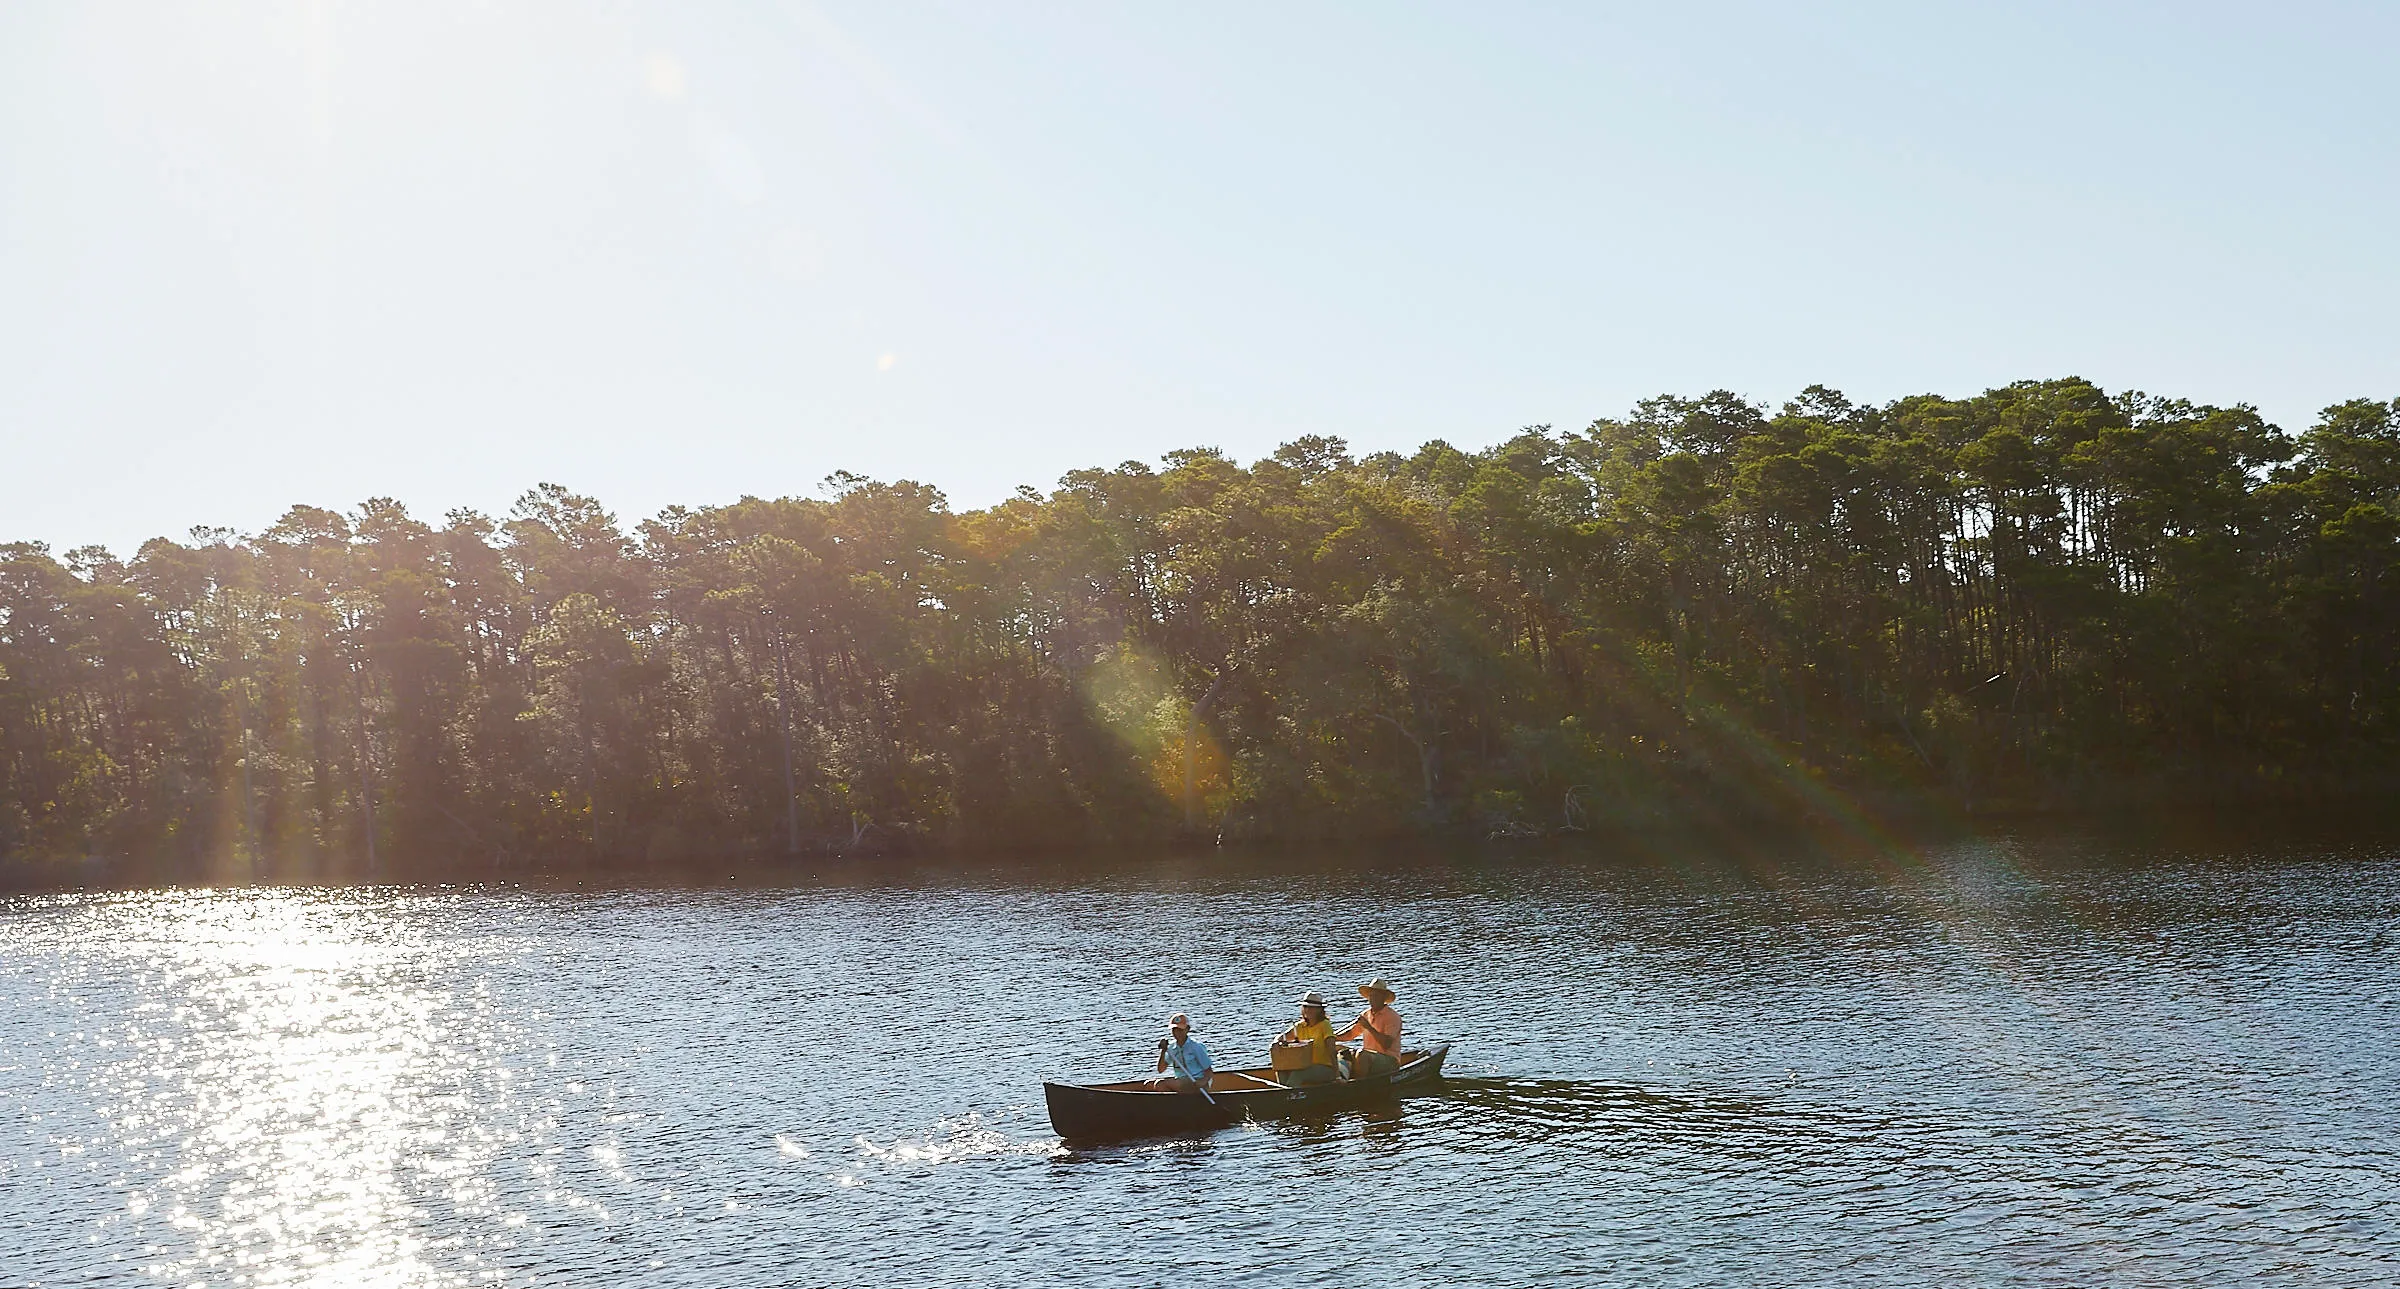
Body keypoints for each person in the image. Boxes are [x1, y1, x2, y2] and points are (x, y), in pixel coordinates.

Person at [1335, 977, 1403, 1078]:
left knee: (1362, 1054)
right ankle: (1340, 1078)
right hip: (1368, 1058)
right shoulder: (1366, 1014)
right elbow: (1351, 1034)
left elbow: (1386, 1044)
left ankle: (1357, 1084)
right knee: (1338, 1048)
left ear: (1383, 998)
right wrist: (1332, 1037)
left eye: (1376, 995)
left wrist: (1369, 1027)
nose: (1373, 998)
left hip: (1389, 1061)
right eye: (1371, 995)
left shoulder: (1393, 1017)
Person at [1276, 992, 1341, 1086]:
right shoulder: (1300, 1026)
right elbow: (1281, 1038)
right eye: (1305, 1007)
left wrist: (1337, 1076)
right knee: (1281, 1070)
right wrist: (1276, 1044)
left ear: (1319, 1009)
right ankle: (1285, 1094)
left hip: (1325, 1068)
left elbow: (1332, 1052)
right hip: (1304, 1066)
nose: (1307, 1010)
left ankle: (1291, 1096)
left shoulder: (1325, 1025)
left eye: (1311, 1007)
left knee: (1298, 1074)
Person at [1149, 1012, 1213, 1093]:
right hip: (1181, 1081)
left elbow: (1209, 1070)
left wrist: (1202, 1082)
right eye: (1174, 1030)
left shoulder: (1195, 1047)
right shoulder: (1172, 1047)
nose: (1177, 1033)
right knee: (1148, 1084)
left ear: (1187, 1029)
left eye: (1180, 1030)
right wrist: (1163, 1051)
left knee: (1160, 1084)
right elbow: (1161, 1069)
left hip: (1196, 1080)